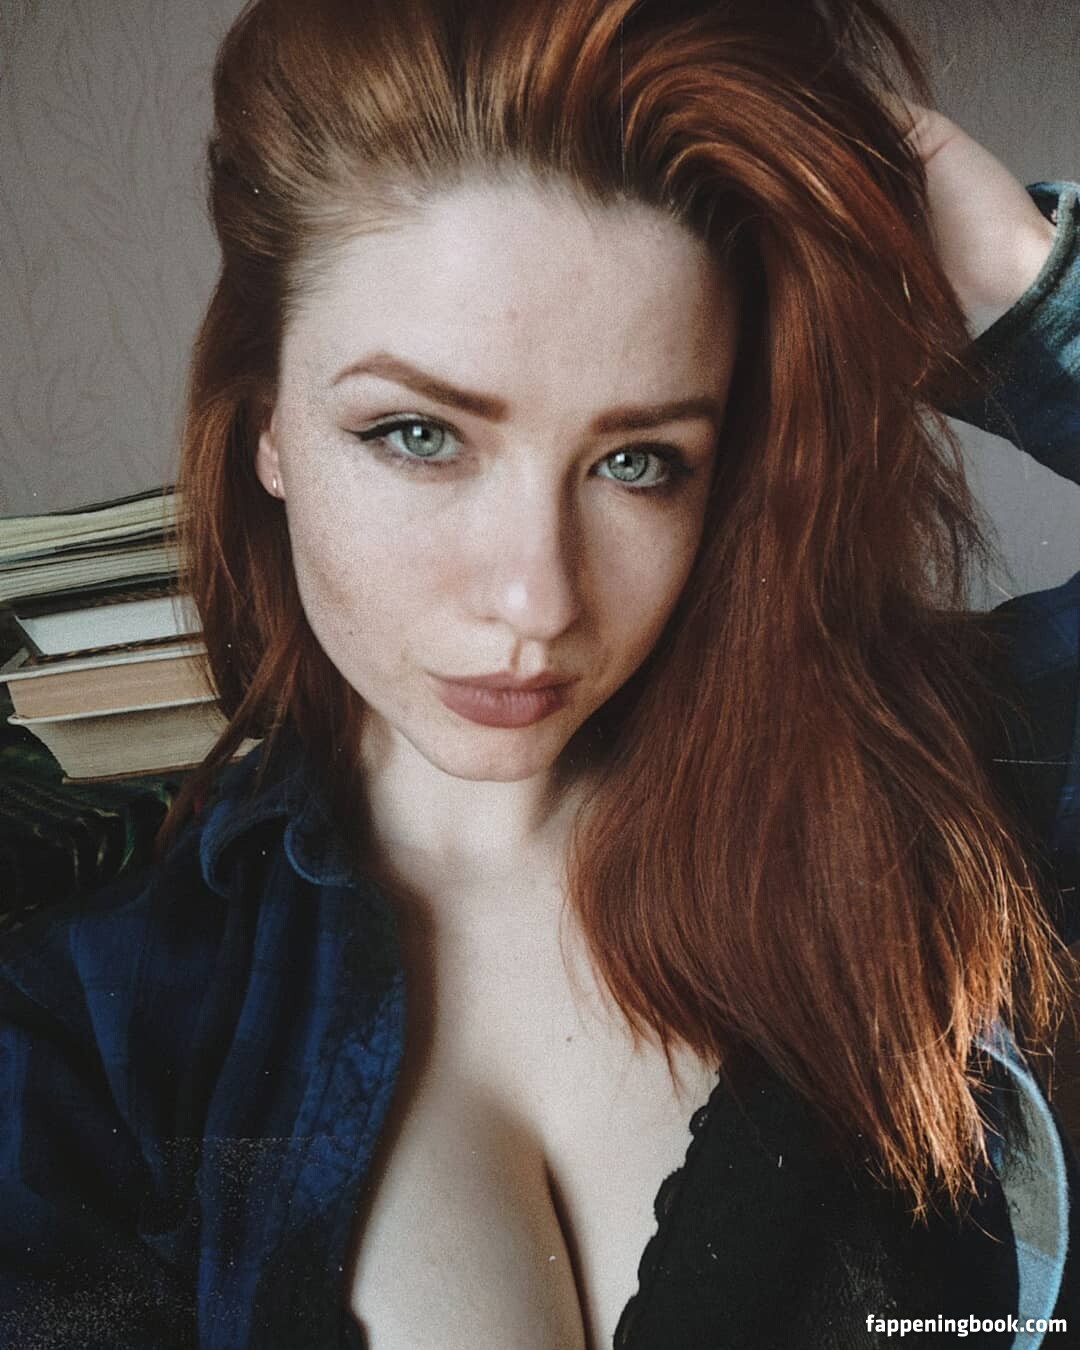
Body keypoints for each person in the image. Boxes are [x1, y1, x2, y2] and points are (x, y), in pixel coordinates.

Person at [1, 0, 1078, 1346]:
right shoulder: (93, 1038)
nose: (538, 599)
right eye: (417, 434)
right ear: (267, 423)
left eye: (637, 461)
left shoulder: (938, 791)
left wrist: (1031, 292)